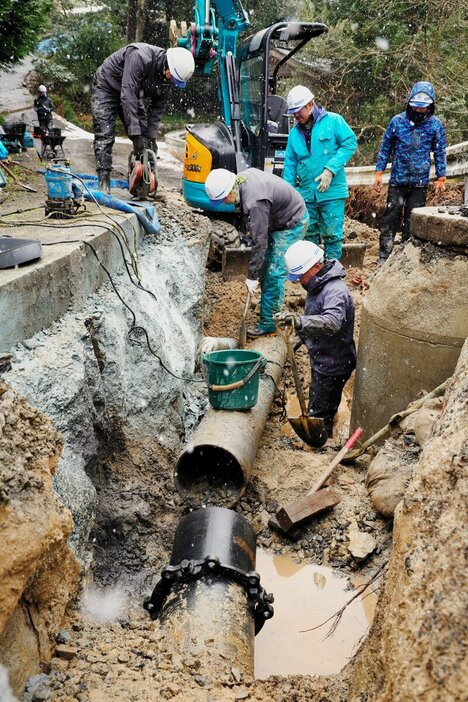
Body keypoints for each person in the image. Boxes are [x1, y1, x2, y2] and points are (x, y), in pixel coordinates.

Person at [205, 167, 309, 337]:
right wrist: (256, 270)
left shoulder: (255, 201)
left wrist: (251, 276)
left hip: (292, 222)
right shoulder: (241, 181)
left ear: (231, 189)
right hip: (277, 219)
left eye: (224, 199)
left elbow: (259, 242)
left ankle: (270, 322)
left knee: (274, 272)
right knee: (265, 266)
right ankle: (268, 307)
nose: (225, 203)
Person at [274, 240, 356, 440]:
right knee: (322, 396)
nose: (299, 281)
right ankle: (327, 416)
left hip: (334, 363)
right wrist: (299, 338)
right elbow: (315, 318)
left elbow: (332, 322)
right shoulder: (318, 285)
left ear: (316, 266)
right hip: (324, 358)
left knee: (320, 409)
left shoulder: (335, 291)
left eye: (300, 276)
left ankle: (321, 439)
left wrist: (299, 321)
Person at [91, 44, 195, 193]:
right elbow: (127, 95)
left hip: (130, 93)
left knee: (145, 136)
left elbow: (157, 110)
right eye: (172, 77)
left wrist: (150, 138)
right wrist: (135, 135)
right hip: (107, 85)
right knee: (105, 133)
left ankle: (141, 180)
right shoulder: (140, 57)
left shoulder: (168, 80)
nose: (172, 81)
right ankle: (103, 181)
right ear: (168, 66)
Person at [372, 81, 447, 264]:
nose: (419, 111)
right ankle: (384, 255)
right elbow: (385, 148)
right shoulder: (397, 122)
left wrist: (441, 177)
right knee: (391, 217)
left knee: (412, 220)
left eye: (424, 108)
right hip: (398, 179)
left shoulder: (435, 125)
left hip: (420, 182)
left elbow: (440, 151)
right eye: (417, 107)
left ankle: (406, 255)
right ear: (410, 103)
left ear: (430, 106)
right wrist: (379, 173)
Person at [283, 85, 357, 261]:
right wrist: (288, 193)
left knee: (332, 235)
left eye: (298, 111)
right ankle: (313, 272)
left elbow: (350, 143)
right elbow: (290, 164)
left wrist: (330, 169)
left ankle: (332, 272)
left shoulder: (333, 121)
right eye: (292, 112)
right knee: (308, 236)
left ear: (310, 105)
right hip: (307, 194)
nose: (295, 116)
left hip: (331, 191)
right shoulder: (294, 134)